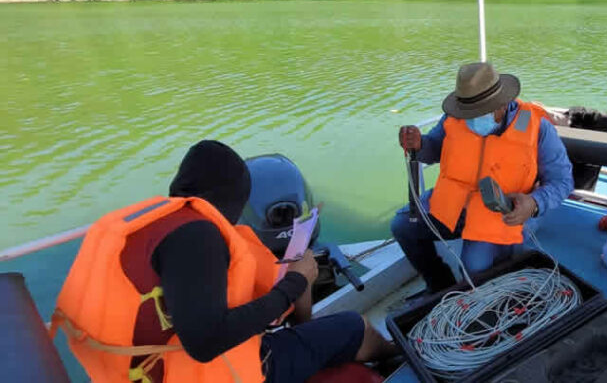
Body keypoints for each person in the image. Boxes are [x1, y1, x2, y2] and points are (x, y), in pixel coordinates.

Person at [53, 140, 396, 383]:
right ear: (233, 200)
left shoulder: (149, 225)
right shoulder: (199, 235)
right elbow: (205, 342)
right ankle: (398, 357)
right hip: (220, 372)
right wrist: (294, 283)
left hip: (130, 370)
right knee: (353, 326)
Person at [392, 62, 574, 293]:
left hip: (503, 210)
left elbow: (562, 181)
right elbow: (435, 147)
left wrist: (534, 203)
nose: (470, 119)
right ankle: (439, 284)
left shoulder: (538, 127)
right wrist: (420, 144)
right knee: (403, 226)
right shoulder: (454, 118)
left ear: (502, 104)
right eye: (466, 113)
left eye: (477, 113)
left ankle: (487, 291)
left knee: (474, 267)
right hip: (453, 202)